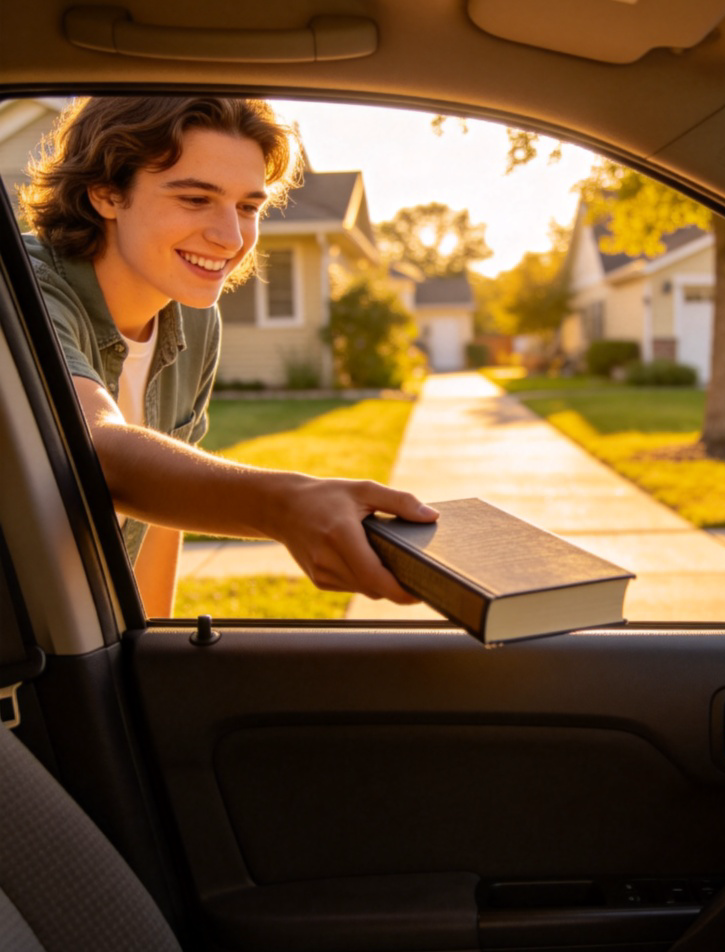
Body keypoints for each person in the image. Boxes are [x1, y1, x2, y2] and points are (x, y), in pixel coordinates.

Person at [19, 95, 437, 617]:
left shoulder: (193, 318)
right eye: (196, 199)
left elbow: (162, 511)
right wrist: (282, 505)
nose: (231, 237)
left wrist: (151, 658)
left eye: (248, 207)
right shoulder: (22, 292)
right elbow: (92, 446)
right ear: (105, 192)